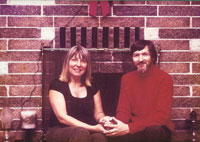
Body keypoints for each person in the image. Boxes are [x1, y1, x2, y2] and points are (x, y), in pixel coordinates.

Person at [101, 40, 174, 142]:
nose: (140, 59)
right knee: (112, 134)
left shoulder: (164, 78)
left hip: (158, 128)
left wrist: (130, 128)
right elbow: (123, 111)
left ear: (153, 57)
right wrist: (116, 124)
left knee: (153, 130)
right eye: (136, 55)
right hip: (134, 128)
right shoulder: (127, 78)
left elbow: (162, 116)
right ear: (132, 58)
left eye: (145, 54)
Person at [46, 46, 109, 142]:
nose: (78, 64)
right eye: (74, 60)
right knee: (81, 133)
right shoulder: (56, 85)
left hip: (86, 129)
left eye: (83, 61)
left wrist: (103, 120)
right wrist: (93, 128)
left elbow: (98, 113)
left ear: (87, 65)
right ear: (67, 63)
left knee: (100, 138)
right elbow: (62, 118)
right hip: (59, 130)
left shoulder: (92, 86)